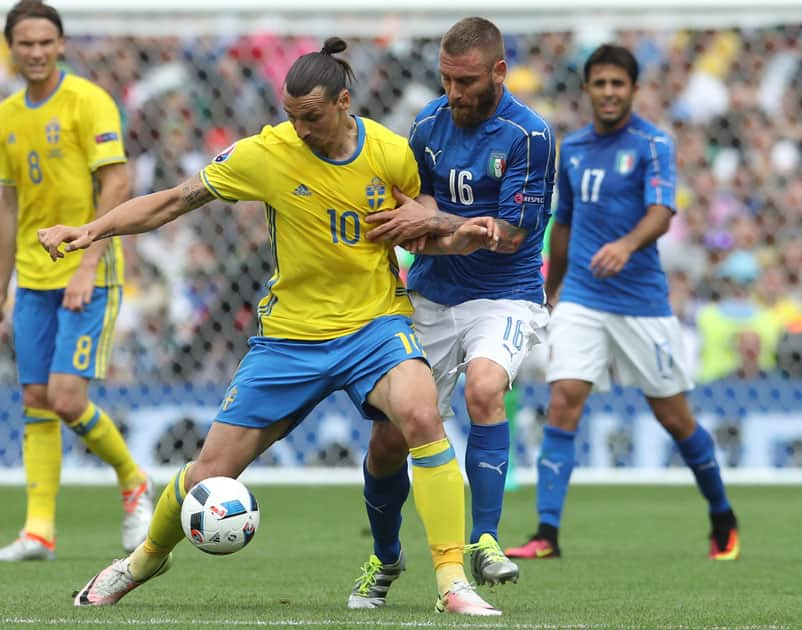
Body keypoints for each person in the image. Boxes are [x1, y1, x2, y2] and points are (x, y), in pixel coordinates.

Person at [38, 38, 503, 616]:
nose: (299, 129)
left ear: (343, 102)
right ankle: (141, 562)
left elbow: (426, 231)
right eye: (290, 116)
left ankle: (452, 580)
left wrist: (461, 230)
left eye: (310, 117)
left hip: (375, 325)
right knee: (212, 470)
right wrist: (93, 230)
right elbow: (174, 200)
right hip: (290, 338)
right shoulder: (267, 153)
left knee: (421, 414)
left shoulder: (389, 151)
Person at [346, 16, 555, 609]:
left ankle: (484, 540)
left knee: (485, 389)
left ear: (498, 72)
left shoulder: (529, 134)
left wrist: (436, 225)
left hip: (505, 293)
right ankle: (385, 555)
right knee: (390, 440)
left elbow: (510, 234)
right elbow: (419, 204)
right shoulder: (428, 123)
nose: (454, 93)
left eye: (465, 82)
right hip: (433, 294)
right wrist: (442, 225)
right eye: (445, 80)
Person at [503, 44, 740, 562]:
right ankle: (547, 533)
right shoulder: (577, 146)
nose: (609, 92)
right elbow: (562, 225)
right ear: (586, 88)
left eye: (618, 84)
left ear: (633, 89)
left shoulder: (653, 143)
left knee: (674, 418)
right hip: (583, 298)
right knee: (564, 399)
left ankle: (722, 515)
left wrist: (627, 245)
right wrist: (549, 292)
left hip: (642, 304)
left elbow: (662, 212)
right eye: (600, 83)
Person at [0, 0, 153, 561]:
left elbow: (117, 182)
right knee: (35, 397)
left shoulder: (88, 101)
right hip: (33, 276)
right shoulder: (8, 115)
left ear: (61, 45)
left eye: (46, 42)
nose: (36, 52)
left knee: (66, 398)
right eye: (25, 44)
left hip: (89, 273)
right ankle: (39, 529)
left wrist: (88, 262)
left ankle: (134, 479)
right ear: (11, 48)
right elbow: (8, 207)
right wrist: (2, 286)